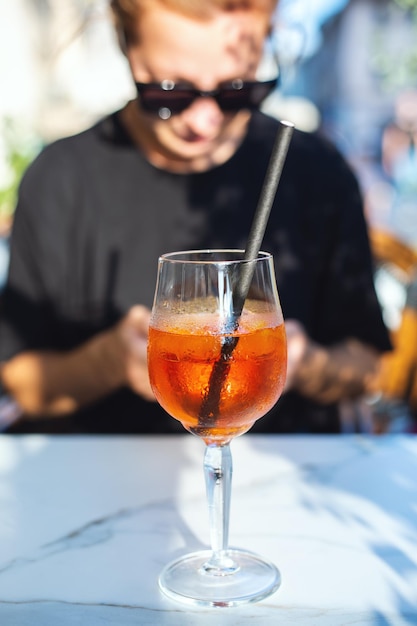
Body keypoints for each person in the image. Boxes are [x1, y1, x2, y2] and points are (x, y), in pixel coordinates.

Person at [0, 0, 391, 435]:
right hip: (102, 471)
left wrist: (303, 364)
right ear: (126, 46)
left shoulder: (317, 172)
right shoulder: (61, 177)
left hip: (289, 470)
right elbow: (23, 381)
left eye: (236, 90)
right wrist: (108, 361)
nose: (204, 121)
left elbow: (368, 365)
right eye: (171, 92)